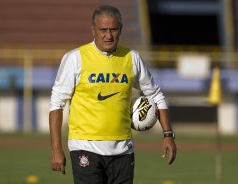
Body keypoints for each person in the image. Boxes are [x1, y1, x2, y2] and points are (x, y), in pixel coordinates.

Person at [49, 5, 177, 184]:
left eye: (113, 30)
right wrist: (56, 149)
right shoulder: (75, 58)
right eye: (103, 30)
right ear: (93, 30)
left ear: (121, 30)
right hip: (85, 147)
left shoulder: (132, 58)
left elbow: (156, 95)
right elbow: (56, 102)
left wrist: (168, 135)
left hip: (123, 150)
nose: (108, 36)